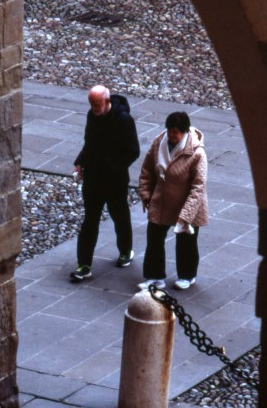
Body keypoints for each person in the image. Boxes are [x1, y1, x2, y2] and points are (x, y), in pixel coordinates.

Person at [70, 85, 140, 282]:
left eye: (97, 105)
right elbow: (89, 143)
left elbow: (133, 151)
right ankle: (84, 264)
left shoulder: (124, 120)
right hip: (94, 178)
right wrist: (80, 161)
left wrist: (112, 166)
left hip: (115, 179)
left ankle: (125, 251)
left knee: (119, 215)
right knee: (90, 220)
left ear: (107, 102)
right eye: (91, 104)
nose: (94, 108)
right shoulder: (92, 116)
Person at [138, 110, 208, 291]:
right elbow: (147, 170)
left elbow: (198, 187)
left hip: (187, 203)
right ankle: (154, 276)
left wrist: (186, 215)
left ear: (184, 132)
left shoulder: (197, 153)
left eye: (175, 133)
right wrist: (146, 194)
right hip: (161, 200)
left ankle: (187, 275)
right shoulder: (158, 143)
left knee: (186, 242)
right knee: (154, 238)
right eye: (169, 131)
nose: (171, 136)